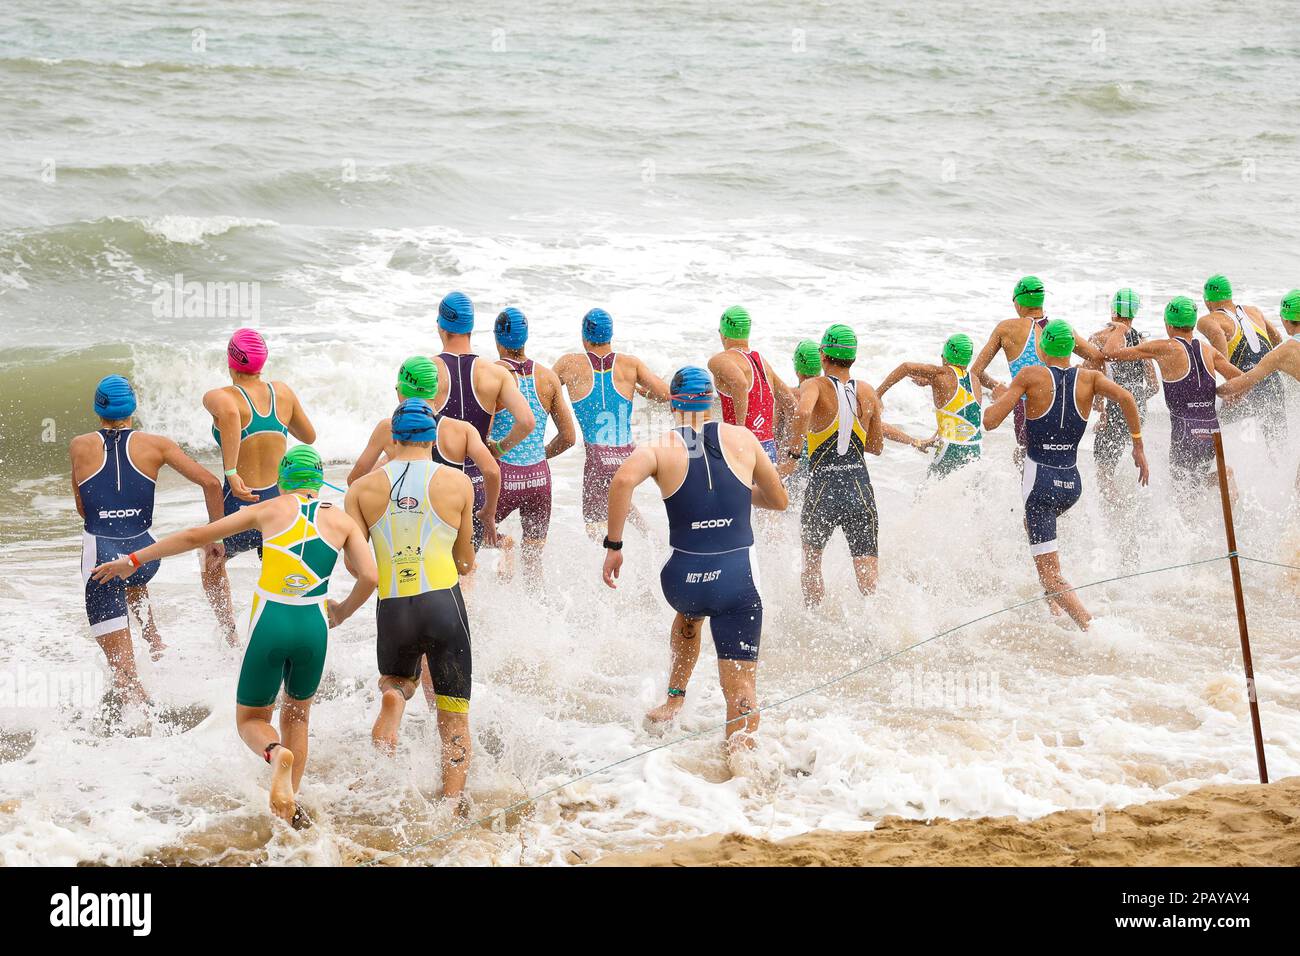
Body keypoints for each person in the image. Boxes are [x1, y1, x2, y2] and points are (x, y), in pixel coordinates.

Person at [92, 446, 377, 824]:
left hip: (270, 623)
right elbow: (370, 576)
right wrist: (342, 611)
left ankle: (275, 755)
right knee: (298, 718)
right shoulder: (342, 522)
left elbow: (196, 536)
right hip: (313, 626)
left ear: (282, 480)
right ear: (318, 480)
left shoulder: (267, 510)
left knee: (250, 721)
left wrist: (132, 561)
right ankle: (290, 802)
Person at [602, 367, 788, 751]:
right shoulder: (743, 438)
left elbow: (620, 482)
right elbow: (779, 500)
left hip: (683, 580)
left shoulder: (659, 446)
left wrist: (614, 546)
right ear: (714, 401)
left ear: (673, 403)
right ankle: (743, 765)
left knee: (690, 614)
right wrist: (740, 493)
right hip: (737, 580)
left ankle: (674, 698)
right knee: (740, 685)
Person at [71, 375, 224, 720]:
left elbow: (83, 508)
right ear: (133, 408)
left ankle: (142, 735)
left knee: (126, 681)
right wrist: (215, 539)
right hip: (145, 554)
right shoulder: (159, 444)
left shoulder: (79, 445)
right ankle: (154, 641)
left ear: (98, 409)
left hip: (103, 561)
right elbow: (212, 483)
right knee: (131, 575)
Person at [345, 401, 476, 803]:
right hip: (444, 605)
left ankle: (394, 700)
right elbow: (466, 560)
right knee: (453, 716)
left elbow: (357, 567)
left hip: (394, 608)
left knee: (398, 683)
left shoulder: (361, 489)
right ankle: (451, 806)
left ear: (394, 437)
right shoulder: (458, 483)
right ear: (432, 436)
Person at [984, 320, 1149, 630]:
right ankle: (1054, 607)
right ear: (1072, 348)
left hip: (1041, 486)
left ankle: (1092, 629)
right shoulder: (1090, 378)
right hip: (1071, 484)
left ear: (1042, 348)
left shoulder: (1030, 375)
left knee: (1051, 573)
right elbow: (1127, 399)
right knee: (1038, 541)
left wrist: (1003, 396)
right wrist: (1137, 447)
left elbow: (990, 422)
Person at [202, 328, 316, 644]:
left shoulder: (223, 397)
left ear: (231, 361)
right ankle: (283, 632)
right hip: (279, 505)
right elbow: (308, 437)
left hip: (240, 504)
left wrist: (231, 470)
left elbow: (224, 410)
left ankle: (231, 639)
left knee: (212, 561)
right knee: (278, 572)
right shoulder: (283, 393)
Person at [348, 355, 501, 547]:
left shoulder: (387, 429)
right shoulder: (461, 430)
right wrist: (489, 512)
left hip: (407, 523)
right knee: (465, 570)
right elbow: (492, 471)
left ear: (401, 391)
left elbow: (355, 481)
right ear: (435, 391)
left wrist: (387, 467)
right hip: (452, 520)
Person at [782, 324, 885, 604]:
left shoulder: (814, 385)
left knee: (812, 563)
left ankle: (814, 619)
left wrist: (793, 456)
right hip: (860, 489)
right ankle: (877, 627)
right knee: (868, 576)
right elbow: (875, 447)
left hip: (823, 489)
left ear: (824, 355)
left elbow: (803, 411)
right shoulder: (867, 391)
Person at [1103, 297, 1241, 494]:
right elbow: (1240, 379)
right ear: (1192, 323)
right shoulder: (1207, 349)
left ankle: (1222, 476)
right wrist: (1223, 394)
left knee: (1182, 493)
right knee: (1194, 484)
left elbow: (1110, 353)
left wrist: (1120, 329)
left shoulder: (1164, 347)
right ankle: (1220, 478)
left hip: (1185, 433)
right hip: (1212, 431)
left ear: (1168, 325)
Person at [432, 291, 536, 548]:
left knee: (439, 568)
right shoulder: (495, 373)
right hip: (477, 487)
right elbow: (526, 422)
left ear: (441, 327)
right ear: (471, 329)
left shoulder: (428, 370)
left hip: (437, 483)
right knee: (468, 566)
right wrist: (498, 449)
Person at [554, 308, 670, 537]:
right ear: (609, 336)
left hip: (598, 458)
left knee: (594, 530)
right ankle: (649, 537)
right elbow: (666, 394)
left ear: (584, 336)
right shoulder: (630, 365)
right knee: (618, 497)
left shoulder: (569, 364)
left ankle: (615, 562)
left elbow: (543, 391)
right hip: (629, 454)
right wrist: (645, 394)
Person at [488, 308, 576, 584]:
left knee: (470, 537)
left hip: (503, 477)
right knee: (534, 563)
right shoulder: (548, 377)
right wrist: (540, 455)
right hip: (539, 478)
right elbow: (569, 437)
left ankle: (504, 547)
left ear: (497, 338)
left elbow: (482, 431)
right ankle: (539, 620)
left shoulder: (490, 374)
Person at [970, 276, 1102, 459]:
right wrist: (1081, 374)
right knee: (1059, 460)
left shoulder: (1006, 328)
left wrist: (1002, 390)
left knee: (1027, 460)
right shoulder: (1061, 331)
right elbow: (1098, 358)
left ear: (1018, 302)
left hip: (1028, 409)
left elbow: (975, 372)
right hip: (1062, 407)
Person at [876, 332, 983, 479]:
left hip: (950, 448)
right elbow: (960, 416)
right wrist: (932, 382)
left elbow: (905, 367)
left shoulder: (940, 374)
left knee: (925, 495)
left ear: (946, 356)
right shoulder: (975, 380)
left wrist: (878, 394)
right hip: (975, 447)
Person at [1198, 274, 1288, 446]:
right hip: (1274, 384)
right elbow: (1277, 338)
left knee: (1221, 431)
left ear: (1207, 300)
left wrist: (1228, 386)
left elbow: (1220, 356)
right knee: (1277, 445)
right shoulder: (1254, 311)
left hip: (1245, 387)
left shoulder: (1208, 320)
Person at [1086, 289, 1158, 504]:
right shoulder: (1141, 340)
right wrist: (1136, 402)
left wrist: (1103, 410)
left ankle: (1117, 512)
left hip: (1116, 405)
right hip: (1138, 409)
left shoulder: (1099, 338)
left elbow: (1092, 376)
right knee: (1126, 454)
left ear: (1112, 311)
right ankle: (1134, 503)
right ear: (1134, 312)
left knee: (1104, 470)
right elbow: (1153, 386)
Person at [707, 306, 795, 464]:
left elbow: (740, 383)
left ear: (723, 333)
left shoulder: (720, 360)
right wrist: (786, 449)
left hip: (742, 447)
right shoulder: (763, 362)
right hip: (768, 446)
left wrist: (740, 431)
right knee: (764, 490)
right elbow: (791, 404)